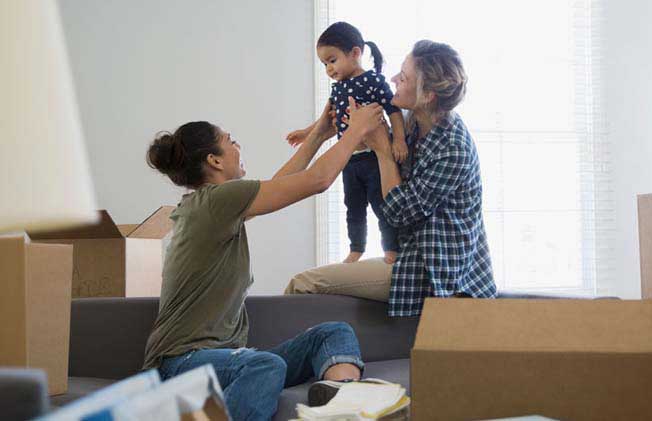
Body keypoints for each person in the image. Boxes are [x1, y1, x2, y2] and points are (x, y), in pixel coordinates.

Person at [142, 96, 385, 420]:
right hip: (179, 365)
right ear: (215, 160)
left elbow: (280, 185)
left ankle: (343, 404)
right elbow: (316, 181)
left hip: (220, 361)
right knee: (266, 365)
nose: (237, 145)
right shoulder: (216, 201)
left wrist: (320, 134)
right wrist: (355, 131)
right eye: (230, 140)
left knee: (333, 333)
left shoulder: (215, 206)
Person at [286, 40, 497, 317]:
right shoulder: (411, 123)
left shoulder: (452, 147)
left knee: (301, 284)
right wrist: (333, 132)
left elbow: (397, 212)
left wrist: (383, 151)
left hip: (432, 270)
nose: (394, 79)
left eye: (404, 77)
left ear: (429, 95)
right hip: (409, 251)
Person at [287, 21, 407, 265]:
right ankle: (356, 248)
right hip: (349, 159)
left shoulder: (373, 80)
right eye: (324, 64)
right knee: (353, 207)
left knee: (382, 205)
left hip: (373, 156)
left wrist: (400, 140)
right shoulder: (338, 88)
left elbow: (393, 110)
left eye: (332, 60)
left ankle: (391, 249)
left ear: (355, 53)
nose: (329, 69)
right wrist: (306, 133)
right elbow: (327, 122)